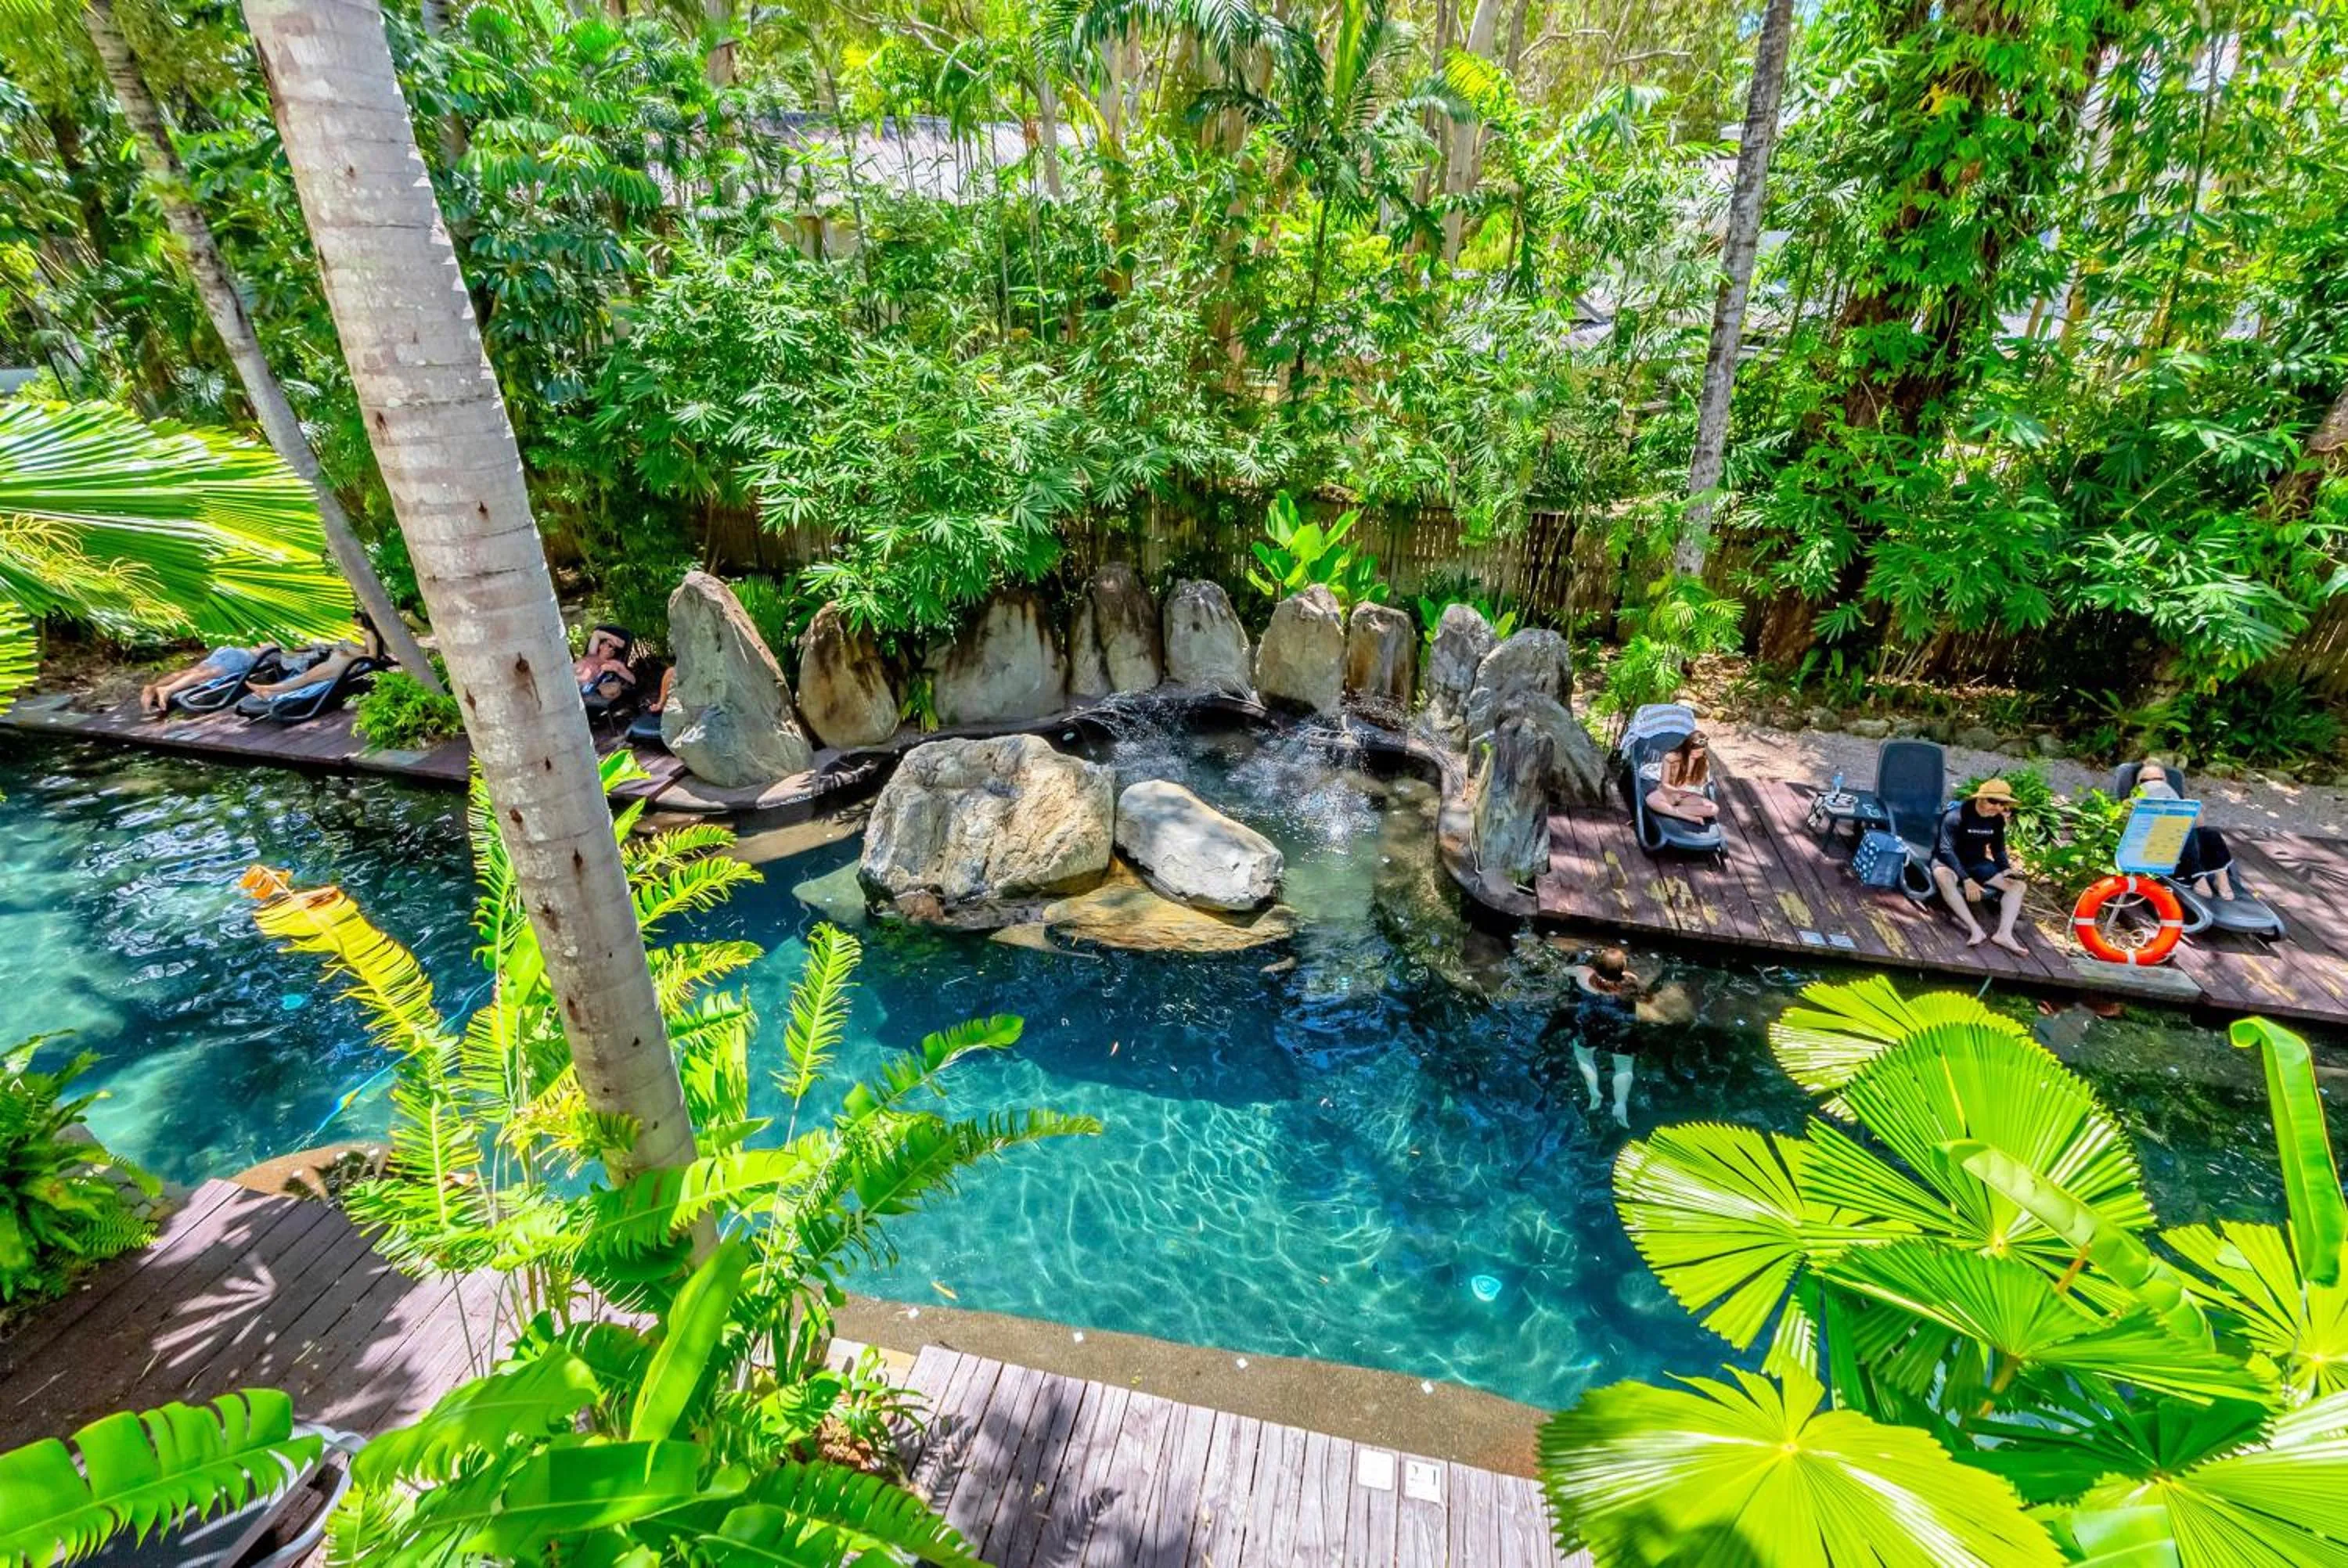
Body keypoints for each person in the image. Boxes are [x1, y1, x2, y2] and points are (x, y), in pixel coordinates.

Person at [1933, 777, 2029, 955]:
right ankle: (1975, 928)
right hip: (1950, 861)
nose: (1998, 807)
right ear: (1980, 798)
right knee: (1943, 877)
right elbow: (1945, 850)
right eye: (1993, 801)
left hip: (1976, 862)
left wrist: (2006, 869)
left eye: (2003, 804)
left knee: (2018, 886)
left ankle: (2004, 934)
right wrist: (1966, 879)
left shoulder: (1997, 820)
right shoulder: (1956, 816)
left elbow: (1998, 848)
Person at [2131, 757, 2238, 901]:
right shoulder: (2131, 803)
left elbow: (2201, 827)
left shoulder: (2177, 800)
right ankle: (2197, 878)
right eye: (2145, 781)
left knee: (2210, 833)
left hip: (2185, 849)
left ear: (2166, 782)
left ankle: (2221, 878)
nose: (2153, 783)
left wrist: (2191, 811)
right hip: (2156, 851)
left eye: (2159, 779)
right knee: (2184, 834)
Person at [1560, 946, 1643, 1128]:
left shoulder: (1583, 975)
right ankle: (1620, 1104)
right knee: (1623, 1067)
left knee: (1584, 1056)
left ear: (1596, 967)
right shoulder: (1631, 981)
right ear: (1623, 969)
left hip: (1592, 1024)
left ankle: (1594, 1092)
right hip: (1621, 1026)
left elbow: (1565, 970)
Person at [243, 617, 383, 702]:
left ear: (360, 619)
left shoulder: (368, 634)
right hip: (332, 663)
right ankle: (269, 693)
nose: (350, 621)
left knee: (306, 678)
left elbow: (373, 656)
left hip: (344, 665)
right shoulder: (348, 633)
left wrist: (351, 656)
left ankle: (266, 688)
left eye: (352, 618)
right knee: (306, 678)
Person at [141, 644, 275, 715]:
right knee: (206, 675)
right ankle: (167, 689)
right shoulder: (281, 636)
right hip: (243, 657)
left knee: (193, 671)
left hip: (229, 648)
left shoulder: (260, 627)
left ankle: (153, 687)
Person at [1647, 732, 1719, 825]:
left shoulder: (1702, 761)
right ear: (1688, 748)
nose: (1699, 755)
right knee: (1651, 800)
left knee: (1714, 809)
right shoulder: (1671, 758)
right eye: (1697, 752)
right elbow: (1665, 784)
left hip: (1687, 796)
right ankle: (1689, 817)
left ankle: (1669, 810)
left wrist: (1700, 778)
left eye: (1702, 752)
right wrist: (1678, 791)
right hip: (1670, 793)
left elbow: (1699, 784)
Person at [575, 625, 637, 706]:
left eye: (615, 650)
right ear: (601, 646)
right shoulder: (592, 653)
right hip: (568, 678)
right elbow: (597, 633)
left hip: (582, 691)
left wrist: (616, 669)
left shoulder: (613, 663)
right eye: (610, 646)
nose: (612, 650)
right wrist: (614, 639)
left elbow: (633, 680)